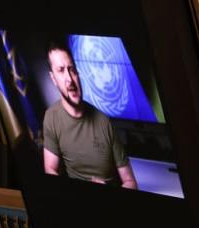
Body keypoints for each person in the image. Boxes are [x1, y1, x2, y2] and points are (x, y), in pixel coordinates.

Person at [42, 42, 137, 190]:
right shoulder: (51, 117)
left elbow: (131, 182)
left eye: (71, 69)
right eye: (61, 71)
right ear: (53, 78)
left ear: (78, 73)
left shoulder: (104, 122)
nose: (69, 79)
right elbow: (50, 169)